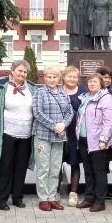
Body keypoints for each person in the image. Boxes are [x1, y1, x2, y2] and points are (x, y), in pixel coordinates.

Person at [0, 59, 36, 210]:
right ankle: (1, 199)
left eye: (25, 72)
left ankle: (17, 197)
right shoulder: (2, 88)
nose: (22, 74)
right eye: (20, 70)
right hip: (7, 133)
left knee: (21, 167)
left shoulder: (32, 89)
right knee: (5, 167)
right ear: (12, 71)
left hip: (26, 134)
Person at [31, 65, 73, 212]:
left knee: (55, 169)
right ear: (44, 77)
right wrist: (55, 126)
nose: (52, 79)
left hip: (59, 137)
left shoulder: (63, 93)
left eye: (55, 77)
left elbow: (70, 112)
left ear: (59, 78)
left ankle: (52, 197)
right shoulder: (39, 92)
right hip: (43, 135)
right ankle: (43, 198)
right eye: (49, 76)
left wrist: (64, 124)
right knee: (43, 168)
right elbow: (37, 112)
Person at [75, 73, 112, 212]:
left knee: (99, 171)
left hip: (98, 141)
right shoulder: (85, 97)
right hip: (83, 139)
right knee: (88, 170)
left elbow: (109, 122)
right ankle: (89, 198)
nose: (92, 84)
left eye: (95, 82)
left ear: (101, 84)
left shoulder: (106, 98)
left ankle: (100, 201)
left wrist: (104, 139)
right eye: (90, 81)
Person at [60, 66, 83, 204]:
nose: (72, 79)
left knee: (75, 162)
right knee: (56, 163)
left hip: (76, 134)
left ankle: (73, 193)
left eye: (75, 77)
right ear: (63, 77)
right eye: (69, 76)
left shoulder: (83, 92)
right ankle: (54, 192)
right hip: (59, 132)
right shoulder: (57, 91)